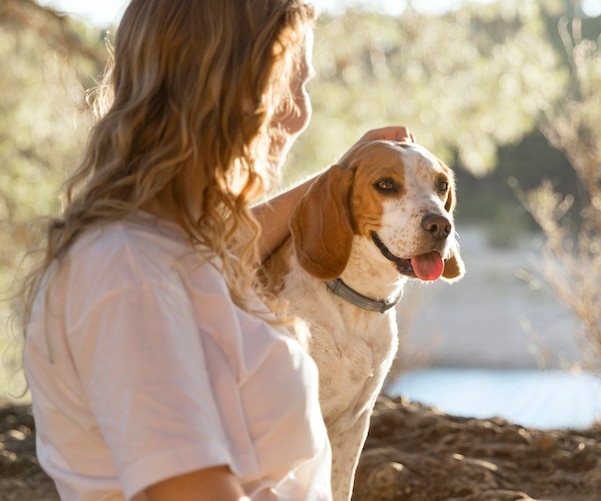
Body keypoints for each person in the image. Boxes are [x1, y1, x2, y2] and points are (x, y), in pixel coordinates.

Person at [20, 0, 414, 500]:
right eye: (290, 82)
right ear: (224, 87)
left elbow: (221, 250)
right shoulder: (129, 272)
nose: (299, 114)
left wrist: (340, 181)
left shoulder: (162, 247)